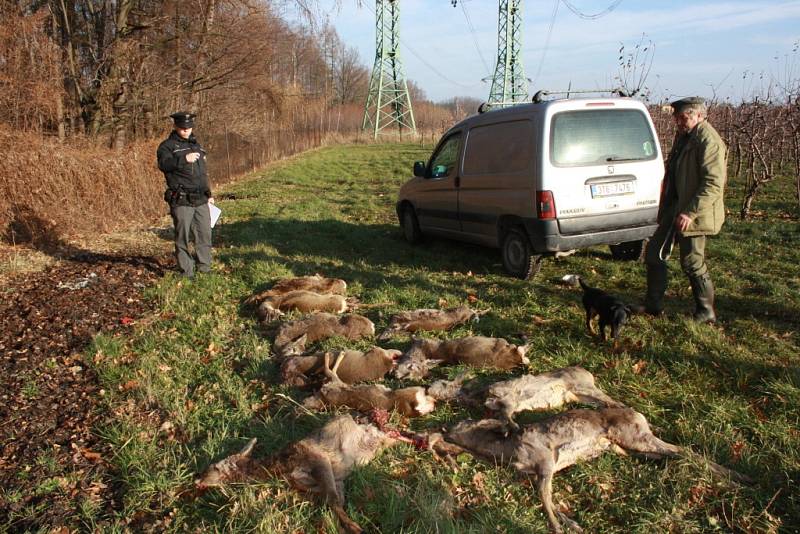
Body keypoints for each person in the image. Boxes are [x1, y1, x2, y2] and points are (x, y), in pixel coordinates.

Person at [640, 97, 727, 323]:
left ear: (699, 115)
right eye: (677, 117)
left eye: (683, 117)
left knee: (692, 262)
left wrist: (690, 212)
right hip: (674, 206)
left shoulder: (709, 142)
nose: (678, 122)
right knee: (654, 254)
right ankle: (652, 306)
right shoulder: (686, 137)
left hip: (694, 212)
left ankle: (706, 312)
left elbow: (713, 184)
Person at [157, 112, 215, 278]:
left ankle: (205, 268)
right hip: (181, 198)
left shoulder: (197, 146)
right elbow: (163, 165)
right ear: (175, 126)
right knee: (182, 237)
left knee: (204, 234)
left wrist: (208, 193)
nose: (186, 130)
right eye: (183, 127)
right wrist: (183, 159)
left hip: (201, 198)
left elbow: (202, 174)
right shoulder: (167, 146)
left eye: (189, 127)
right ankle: (186, 271)